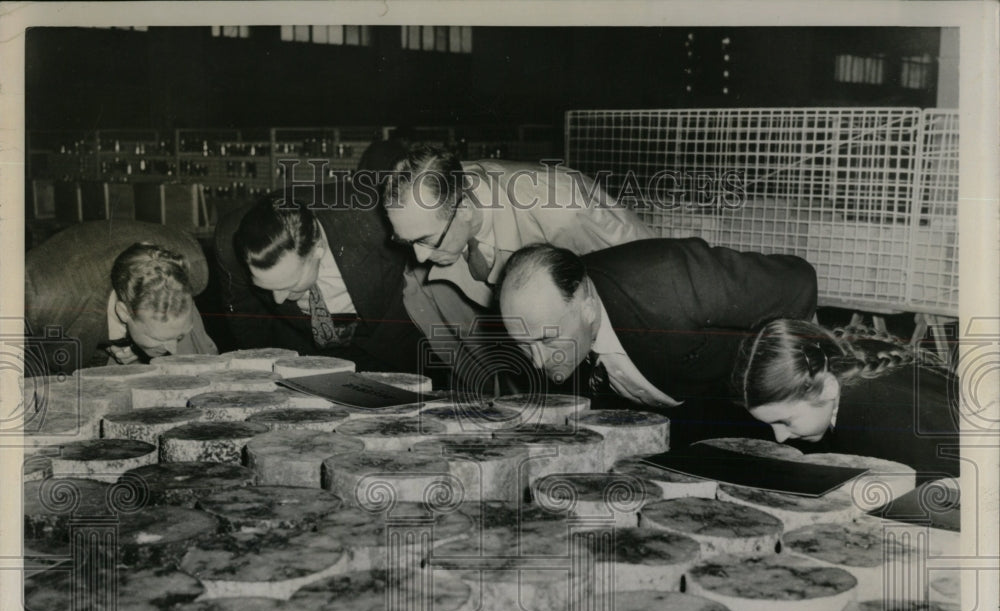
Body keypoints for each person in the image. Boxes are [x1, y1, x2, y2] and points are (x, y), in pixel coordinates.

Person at [382, 144, 655, 386]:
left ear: (464, 209)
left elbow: (648, 272)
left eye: (427, 240)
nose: (418, 258)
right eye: (408, 242)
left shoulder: (564, 209)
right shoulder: (437, 194)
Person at [498, 240, 818, 444]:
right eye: (524, 345)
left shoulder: (673, 282)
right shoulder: (560, 318)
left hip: (742, 405)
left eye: (545, 340)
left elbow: (797, 281)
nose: (537, 361)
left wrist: (799, 383)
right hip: (675, 410)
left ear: (588, 308)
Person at [214, 184, 428, 375]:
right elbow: (248, 319)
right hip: (304, 350)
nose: (278, 300)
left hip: (390, 344)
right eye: (266, 287)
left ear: (318, 249)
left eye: (290, 285)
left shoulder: (378, 222)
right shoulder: (230, 244)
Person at [733, 318, 960, 480]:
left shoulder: (882, 418)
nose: (780, 438)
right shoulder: (846, 366)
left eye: (785, 421)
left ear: (827, 388)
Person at [105, 243, 218, 364]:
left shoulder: (194, 275)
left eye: (180, 336)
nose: (174, 351)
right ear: (124, 312)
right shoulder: (87, 312)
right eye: (157, 338)